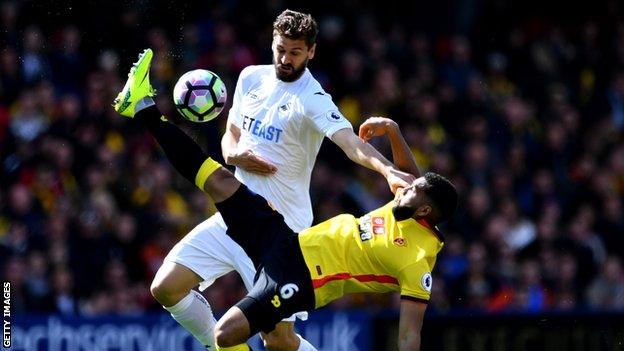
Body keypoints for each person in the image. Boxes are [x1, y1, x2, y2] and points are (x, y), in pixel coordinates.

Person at [113, 50, 457, 350]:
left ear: (425, 209)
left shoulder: (416, 260)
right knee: (216, 182)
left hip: (302, 276)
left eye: (412, 191)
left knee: (245, 338)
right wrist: (394, 132)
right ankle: (143, 107)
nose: (404, 187)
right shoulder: (410, 206)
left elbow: (410, 334)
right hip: (283, 236)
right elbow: (412, 176)